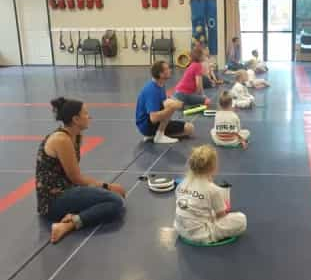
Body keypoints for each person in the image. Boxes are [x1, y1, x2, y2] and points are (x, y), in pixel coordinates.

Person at [36, 97, 126, 244]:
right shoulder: (61, 140)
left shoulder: (76, 135)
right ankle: (68, 225)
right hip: (52, 201)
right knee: (115, 202)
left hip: (67, 189)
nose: (89, 116)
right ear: (76, 119)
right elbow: (76, 178)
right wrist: (107, 186)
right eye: (86, 113)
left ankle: (73, 216)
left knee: (114, 199)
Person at [174, 145, 247, 244]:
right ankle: (208, 232)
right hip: (201, 234)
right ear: (213, 168)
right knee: (241, 219)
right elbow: (221, 216)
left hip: (179, 228)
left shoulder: (182, 184)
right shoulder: (213, 189)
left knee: (203, 211)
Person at [136, 61, 194, 144]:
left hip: (155, 123)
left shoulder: (160, 85)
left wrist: (176, 103)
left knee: (189, 128)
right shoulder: (152, 90)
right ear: (161, 74)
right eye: (167, 69)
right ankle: (159, 135)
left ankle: (155, 135)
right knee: (171, 104)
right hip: (147, 126)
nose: (170, 70)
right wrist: (172, 107)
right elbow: (153, 118)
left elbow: (163, 102)